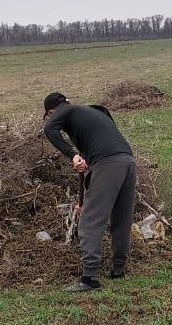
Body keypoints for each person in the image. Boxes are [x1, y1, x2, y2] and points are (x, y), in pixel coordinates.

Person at [43, 92, 137, 293]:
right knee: (122, 219)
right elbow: (94, 166)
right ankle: (118, 269)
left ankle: (89, 278)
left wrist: (72, 154)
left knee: (89, 222)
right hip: (127, 161)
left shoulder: (65, 111)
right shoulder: (96, 111)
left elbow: (49, 129)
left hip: (108, 163)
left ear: (52, 111)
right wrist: (84, 201)